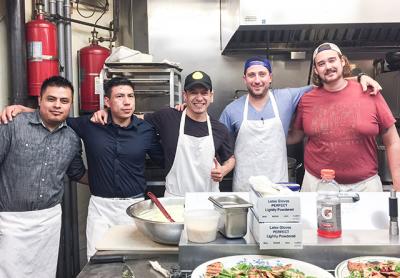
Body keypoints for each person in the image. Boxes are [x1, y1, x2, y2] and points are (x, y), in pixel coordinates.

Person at [1, 77, 164, 260]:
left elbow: (166, 161)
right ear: (107, 102)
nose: (127, 101)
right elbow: (57, 116)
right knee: (97, 263)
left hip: (134, 207)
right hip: (100, 208)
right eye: (119, 96)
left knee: (134, 262)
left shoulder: (146, 130)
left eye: (130, 96)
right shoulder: (89, 124)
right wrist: (24, 110)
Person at [219, 57, 382, 192]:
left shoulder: (286, 97)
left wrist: (359, 77)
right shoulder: (231, 110)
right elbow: (220, 147)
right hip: (244, 188)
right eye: (251, 75)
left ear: (270, 77)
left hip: (278, 188)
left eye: (262, 74)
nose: (257, 80)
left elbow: (328, 82)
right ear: (244, 79)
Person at [91, 71, 236, 197]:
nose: (199, 98)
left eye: (204, 93)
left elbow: (230, 159)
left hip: (207, 199)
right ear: (185, 95)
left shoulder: (219, 128)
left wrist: (223, 170)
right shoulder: (168, 117)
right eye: (193, 92)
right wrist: (108, 111)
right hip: (175, 199)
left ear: (211, 96)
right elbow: (133, 118)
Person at [0, 76, 87, 278]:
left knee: (44, 273)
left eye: (64, 101)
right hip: (10, 220)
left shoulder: (72, 139)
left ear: (71, 105)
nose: (57, 105)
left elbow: (77, 173)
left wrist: (112, 181)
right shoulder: (12, 125)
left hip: (48, 221)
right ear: (39, 100)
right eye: (51, 99)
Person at [288, 42, 400, 192]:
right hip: (317, 185)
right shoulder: (307, 99)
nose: (328, 67)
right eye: (321, 64)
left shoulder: (369, 92)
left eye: (332, 60)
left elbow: (392, 140)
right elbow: (296, 136)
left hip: (365, 186)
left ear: (342, 61)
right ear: (315, 70)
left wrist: (398, 184)